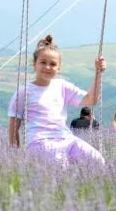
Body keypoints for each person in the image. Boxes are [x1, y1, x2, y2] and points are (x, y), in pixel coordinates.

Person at [8, 34, 106, 165]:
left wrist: (98, 73)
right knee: (59, 170)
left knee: (97, 161)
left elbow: (91, 100)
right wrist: (16, 157)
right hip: (39, 142)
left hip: (66, 139)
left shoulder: (62, 86)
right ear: (34, 64)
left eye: (53, 64)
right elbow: (14, 127)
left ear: (58, 68)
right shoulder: (23, 92)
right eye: (43, 62)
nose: (47, 67)